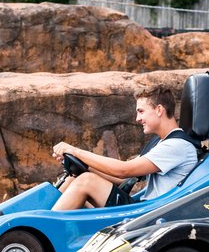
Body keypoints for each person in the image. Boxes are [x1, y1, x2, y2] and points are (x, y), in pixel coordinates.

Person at [50, 86, 199, 211]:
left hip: (149, 215)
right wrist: (84, 165)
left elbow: (123, 170)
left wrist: (77, 151)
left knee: (87, 181)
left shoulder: (176, 146)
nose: (137, 119)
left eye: (141, 111)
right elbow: (127, 179)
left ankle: (38, 233)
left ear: (159, 110)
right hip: (145, 209)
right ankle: (33, 225)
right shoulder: (161, 142)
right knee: (73, 179)